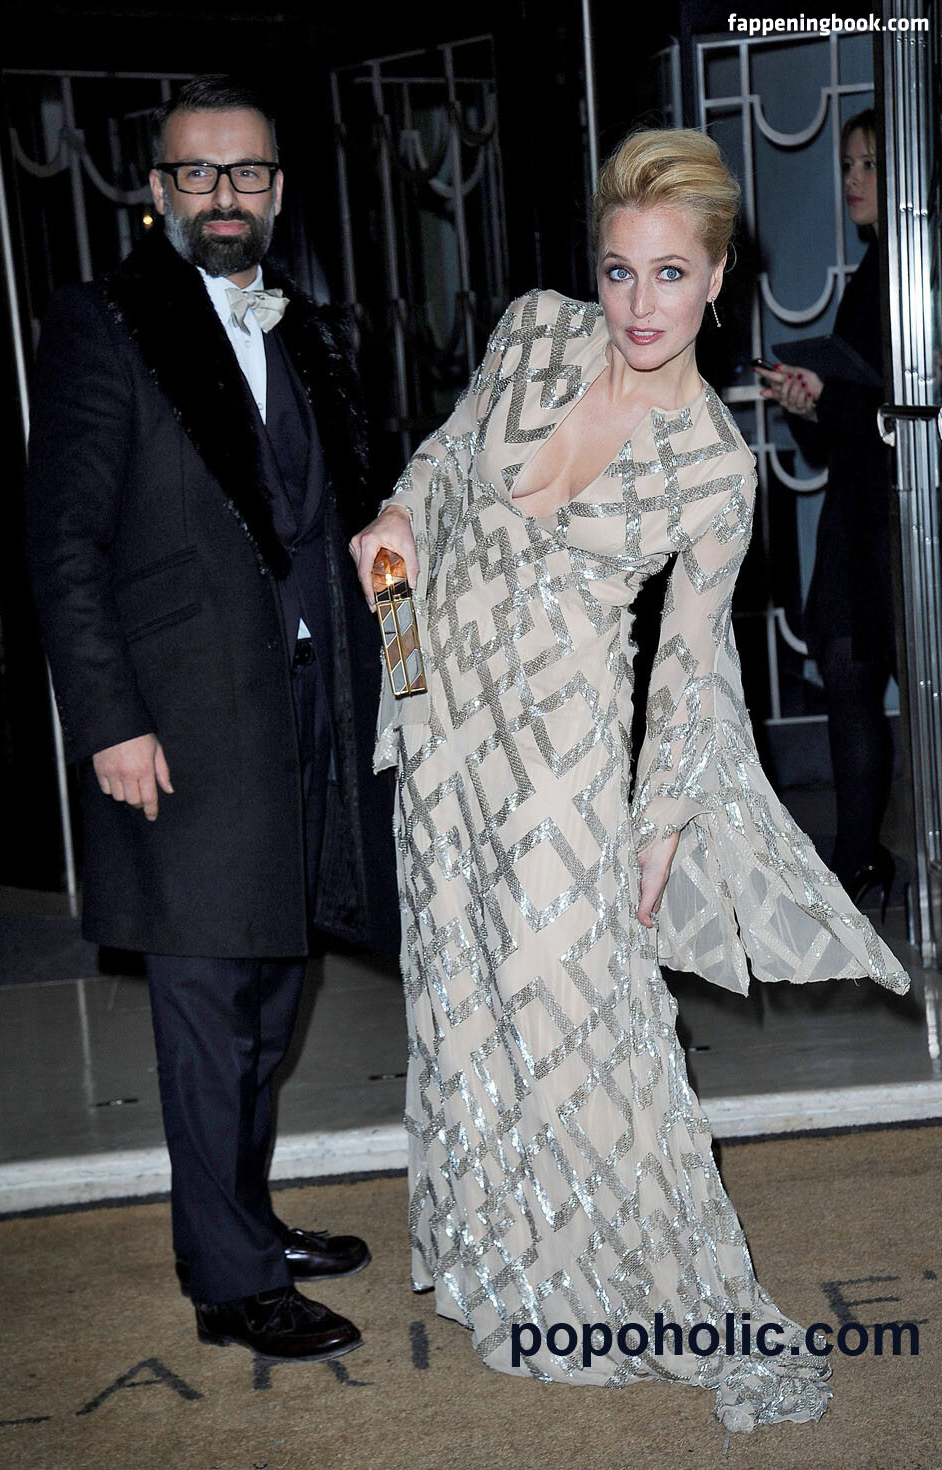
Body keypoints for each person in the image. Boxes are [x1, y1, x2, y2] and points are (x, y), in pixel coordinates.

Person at [350, 128, 908, 1432]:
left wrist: (652, 837)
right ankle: (510, 1265)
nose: (640, 304)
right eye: (619, 270)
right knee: (468, 1005)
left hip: (562, 768)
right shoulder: (533, 333)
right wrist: (397, 526)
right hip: (443, 741)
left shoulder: (713, 462)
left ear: (716, 277)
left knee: (585, 1022)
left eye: (669, 274)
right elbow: (443, 459)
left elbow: (691, 675)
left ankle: (645, 1280)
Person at [26, 75, 392, 1364]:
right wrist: (109, 721)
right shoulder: (103, 323)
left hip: (307, 710)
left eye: (246, 173)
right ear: (157, 189)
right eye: (198, 172)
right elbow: (62, 543)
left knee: (274, 994)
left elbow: (333, 520)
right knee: (205, 1008)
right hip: (177, 726)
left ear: (277, 190)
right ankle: (232, 1284)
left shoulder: (306, 329)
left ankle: (238, 1223)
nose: (223, 195)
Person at [755, 109, 895, 908]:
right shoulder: (872, 275)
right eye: (846, 165)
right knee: (846, 674)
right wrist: (808, 404)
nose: (852, 180)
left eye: (868, 164)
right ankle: (856, 859)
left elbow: (892, 407)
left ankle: (858, 861)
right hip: (861, 508)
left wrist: (826, 401)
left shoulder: (906, 274)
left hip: (893, 512)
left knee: (856, 672)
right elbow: (848, 422)